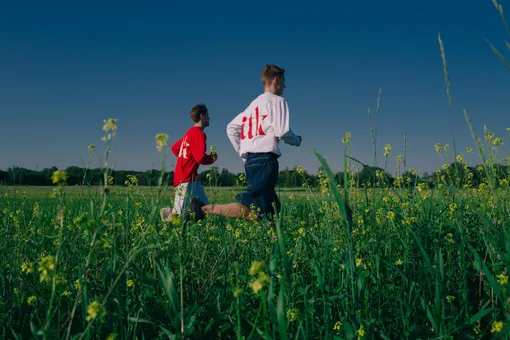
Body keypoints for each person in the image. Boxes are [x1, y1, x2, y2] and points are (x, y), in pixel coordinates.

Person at [189, 64, 301, 222]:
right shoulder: (277, 101)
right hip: (266, 159)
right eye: (283, 81)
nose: (285, 85)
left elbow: (231, 128)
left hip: (252, 161)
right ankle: (203, 209)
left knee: (273, 206)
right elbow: (282, 131)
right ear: (276, 80)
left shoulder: (253, 105)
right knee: (252, 209)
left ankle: (277, 240)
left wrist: (244, 153)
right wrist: (297, 140)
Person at [160, 104, 218, 223]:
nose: (209, 118)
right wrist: (212, 158)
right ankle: (167, 215)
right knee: (178, 215)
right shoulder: (199, 134)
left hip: (192, 178)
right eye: (208, 115)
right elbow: (200, 158)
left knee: (204, 208)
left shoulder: (189, 133)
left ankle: (202, 228)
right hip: (185, 178)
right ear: (202, 116)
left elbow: (175, 148)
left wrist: (185, 157)